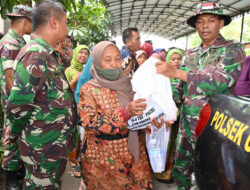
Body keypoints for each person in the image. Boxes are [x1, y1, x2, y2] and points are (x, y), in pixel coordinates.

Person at [155, 2, 245, 189]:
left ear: (221, 23)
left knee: (210, 174)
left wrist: (177, 72)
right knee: (181, 170)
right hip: (186, 126)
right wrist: (161, 108)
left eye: (211, 21)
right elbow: (178, 88)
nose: (204, 26)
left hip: (213, 128)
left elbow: (220, 81)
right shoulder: (190, 54)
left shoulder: (232, 49)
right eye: (200, 21)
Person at [6, 0, 77, 189]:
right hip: (42, 148)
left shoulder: (46, 53)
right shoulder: (36, 54)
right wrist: (14, 135)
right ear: (54, 22)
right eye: (66, 22)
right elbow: (18, 106)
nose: (67, 28)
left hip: (52, 146)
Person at [78, 41, 152, 189]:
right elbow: (90, 123)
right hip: (103, 158)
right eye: (107, 60)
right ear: (97, 62)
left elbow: (140, 113)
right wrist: (125, 113)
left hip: (134, 153)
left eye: (118, 58)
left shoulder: (130, 85)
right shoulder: (89, 89)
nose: (114, 63)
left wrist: (149, 121)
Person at [0, 5, 32, 190]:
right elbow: (11, 77)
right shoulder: (11, 42)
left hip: (16, 99)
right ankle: (11, 179)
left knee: (17, 134)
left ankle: (17, 170)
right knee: (11, 135)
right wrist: (17, 104)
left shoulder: (18, 41)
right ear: (25, 21)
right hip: (12, 99)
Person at [153, 48, 184, 184]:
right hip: (164, 117)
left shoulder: (184, 75)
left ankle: (169, 172)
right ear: (168, 60)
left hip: (178, 117)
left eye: (179, 59)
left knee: (174, 144)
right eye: (173, 59)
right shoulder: (162, 76)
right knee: (161, 143)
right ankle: (158, 169)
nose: (176, 62)